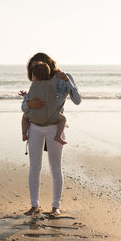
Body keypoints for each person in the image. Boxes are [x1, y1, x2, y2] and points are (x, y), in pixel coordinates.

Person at [20, 53, 81, 216]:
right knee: (34, 167)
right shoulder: (37, 80)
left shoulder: (63, 78)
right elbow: (24, 107)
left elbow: (77, 100)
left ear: (48, 64)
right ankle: (34, 205)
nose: (35, 71)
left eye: (37, 66)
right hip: (36, 127)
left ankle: (55, 207)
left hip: (54, 126)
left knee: (55, 168)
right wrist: (28, 103)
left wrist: (68, 83)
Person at [19, 61, 67, 145]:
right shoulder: (51, 84)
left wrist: (24, 95)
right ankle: (58, 136)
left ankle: (24, 134)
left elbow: (29, 99)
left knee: (24, 117)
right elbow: (57, 96)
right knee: (63, 119)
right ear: (48, 75)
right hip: (50, 116)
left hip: (34, 117)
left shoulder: (33, 86)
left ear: (33, 76)